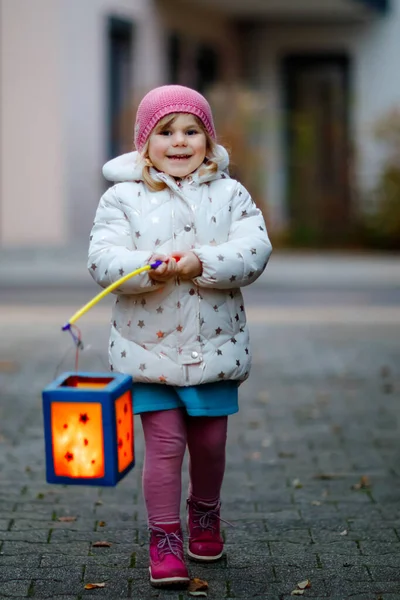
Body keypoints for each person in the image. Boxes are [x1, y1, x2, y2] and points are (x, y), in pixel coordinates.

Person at [88, 85, 272, 587]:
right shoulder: (121, 198)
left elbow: (255, 249)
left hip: (215, 348)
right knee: (165, 447)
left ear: (208, 142)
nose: (179, 142)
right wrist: (146, 267)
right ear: (144, 142)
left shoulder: (230, 194)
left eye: (192, 131)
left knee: (211, 444)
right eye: (165, 132)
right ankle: (164, 538)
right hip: (147, 349)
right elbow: (103, 259)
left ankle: (205, 513)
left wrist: (204, 262)